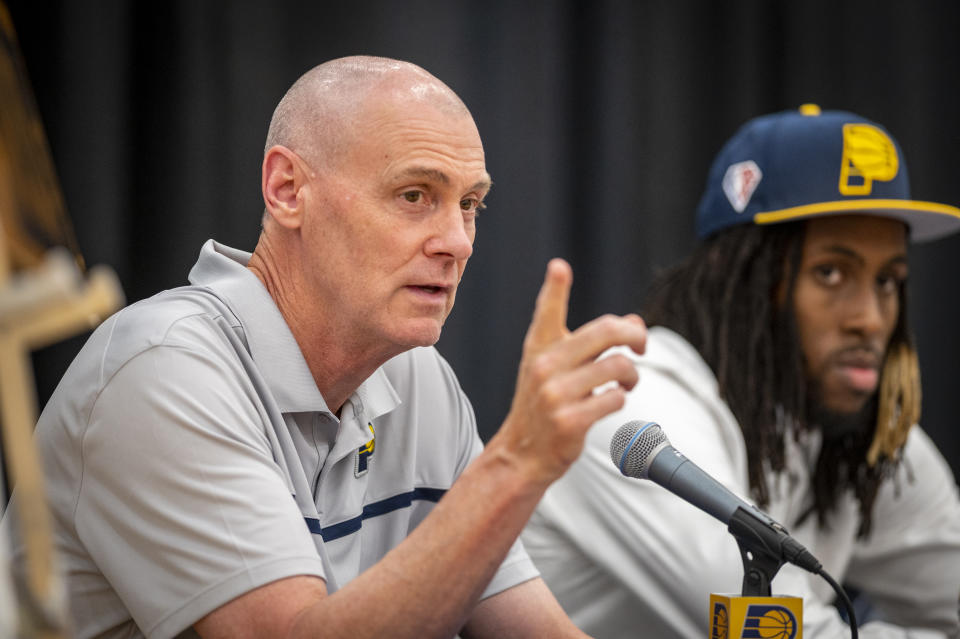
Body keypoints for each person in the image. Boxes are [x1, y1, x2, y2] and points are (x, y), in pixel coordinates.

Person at [0, 56, 649, 638]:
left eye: (470, 203)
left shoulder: (419, 379)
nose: (457, 240)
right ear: (287, 190)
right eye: (415, 195)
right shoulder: (161, 370)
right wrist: (517, 462)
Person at [522, 105, 960, 638]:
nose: (869, 319)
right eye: (830, 272)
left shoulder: (850, 434)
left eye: (888, 281)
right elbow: (776, 632)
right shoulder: (631, 406)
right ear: (745, 279)